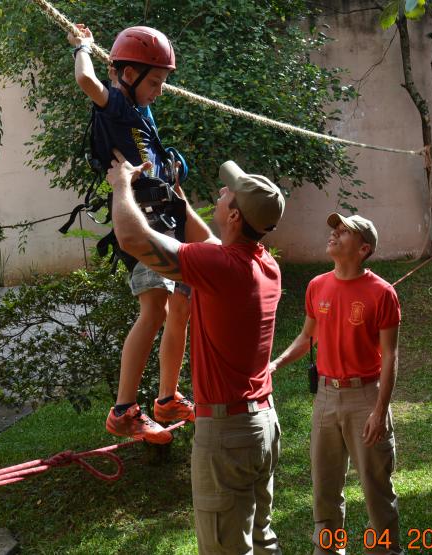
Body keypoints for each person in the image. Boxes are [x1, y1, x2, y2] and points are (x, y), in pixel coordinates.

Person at [107, 151, 286, 554]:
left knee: (226, 548)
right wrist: (179, 203)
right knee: (262, 539)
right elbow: (209, 241)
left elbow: (133, 239)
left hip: (228, 435)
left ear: (237, 217)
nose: (222, 192)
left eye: (228, 193)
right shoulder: (264, 265)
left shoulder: (218, 266)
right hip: (261, 426)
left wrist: (120, 184)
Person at [67, 24, 193, 444]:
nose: (160, 89)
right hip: (142, 220)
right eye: (154, 81)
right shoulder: (117, 104)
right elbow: (86, 79)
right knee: (154, 307)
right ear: (128, 75)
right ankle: (123, 410)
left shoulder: (144, 112)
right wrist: (83, 47)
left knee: (182, 306)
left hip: (166, 219)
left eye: (162, 81)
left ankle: (167, 397)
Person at [269, 213, 402, 555]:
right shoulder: (317, 286)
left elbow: (390, 357)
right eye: (334, 229)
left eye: (344, 233)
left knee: (376, 488)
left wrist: (379, 410)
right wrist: (276, 364)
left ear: (363, 248)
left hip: (365, 397)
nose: (334, 234)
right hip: (325, 398)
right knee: (325, 490)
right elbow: (305, 337)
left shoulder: (382, 293)